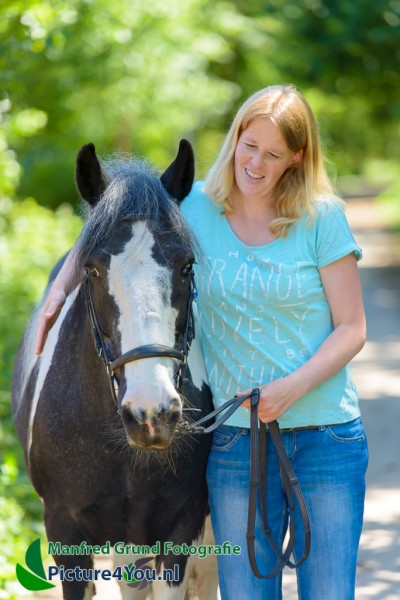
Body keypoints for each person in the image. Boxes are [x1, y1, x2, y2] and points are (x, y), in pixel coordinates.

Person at [36, 84, 368, 600]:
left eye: (273, 153)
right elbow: (117, 227)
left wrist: (292, 388)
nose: (255, 163)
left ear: (297, 158)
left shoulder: (322, 219)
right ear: (234, 138)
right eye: (248, 144)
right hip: (237, 440)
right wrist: (60, 286)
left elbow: (353, 328)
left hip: (327, 440)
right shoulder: (194, 213)